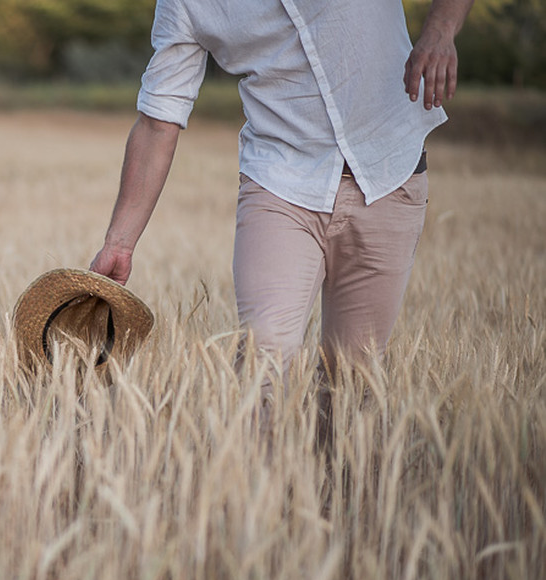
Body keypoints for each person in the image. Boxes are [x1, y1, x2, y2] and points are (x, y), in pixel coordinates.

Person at [90, 0, 475, 382]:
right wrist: (119, 243)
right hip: (279, 181)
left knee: (357, 381)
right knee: (264, 358)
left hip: (389, 169)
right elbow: (160, 117)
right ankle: (257, 446)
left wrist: (441, 30)